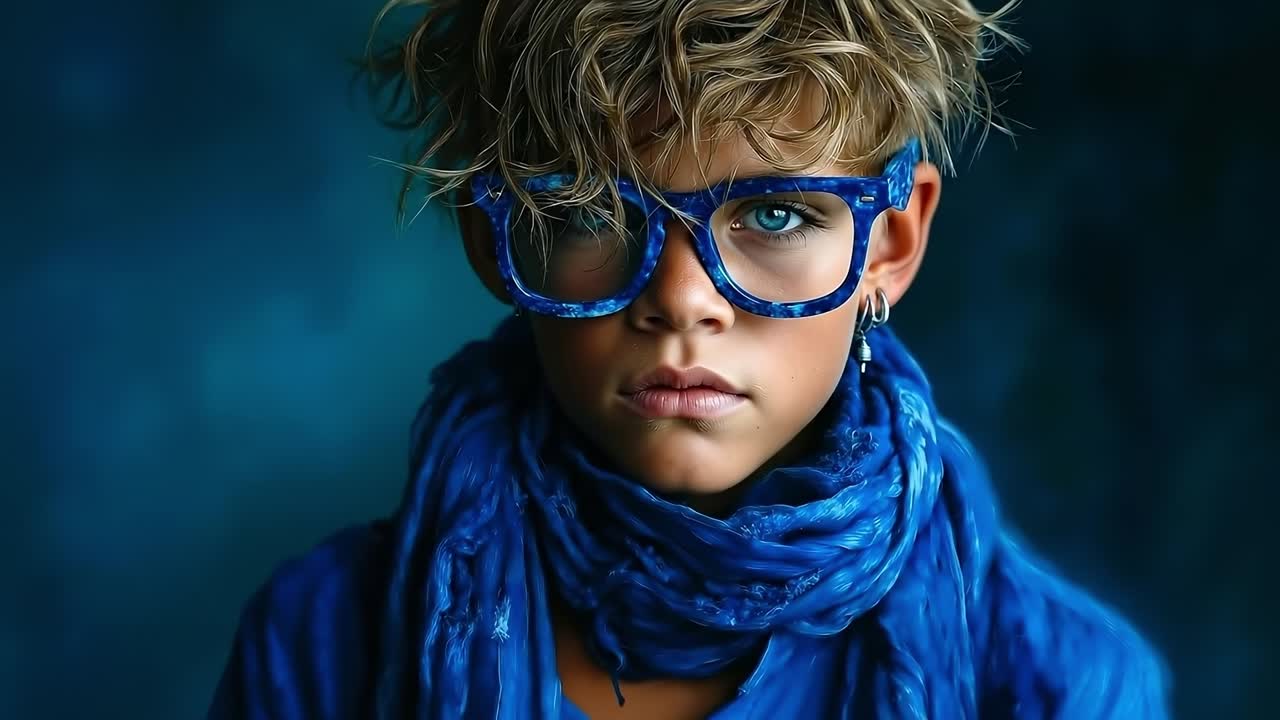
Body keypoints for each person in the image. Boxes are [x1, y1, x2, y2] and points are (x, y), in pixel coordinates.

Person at [207, 0, 1172, 717]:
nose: (681, 298)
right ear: (493, 237)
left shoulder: (1064, 685)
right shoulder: (325, 642)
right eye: (593, 211)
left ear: (889, 246)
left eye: (777, 214)